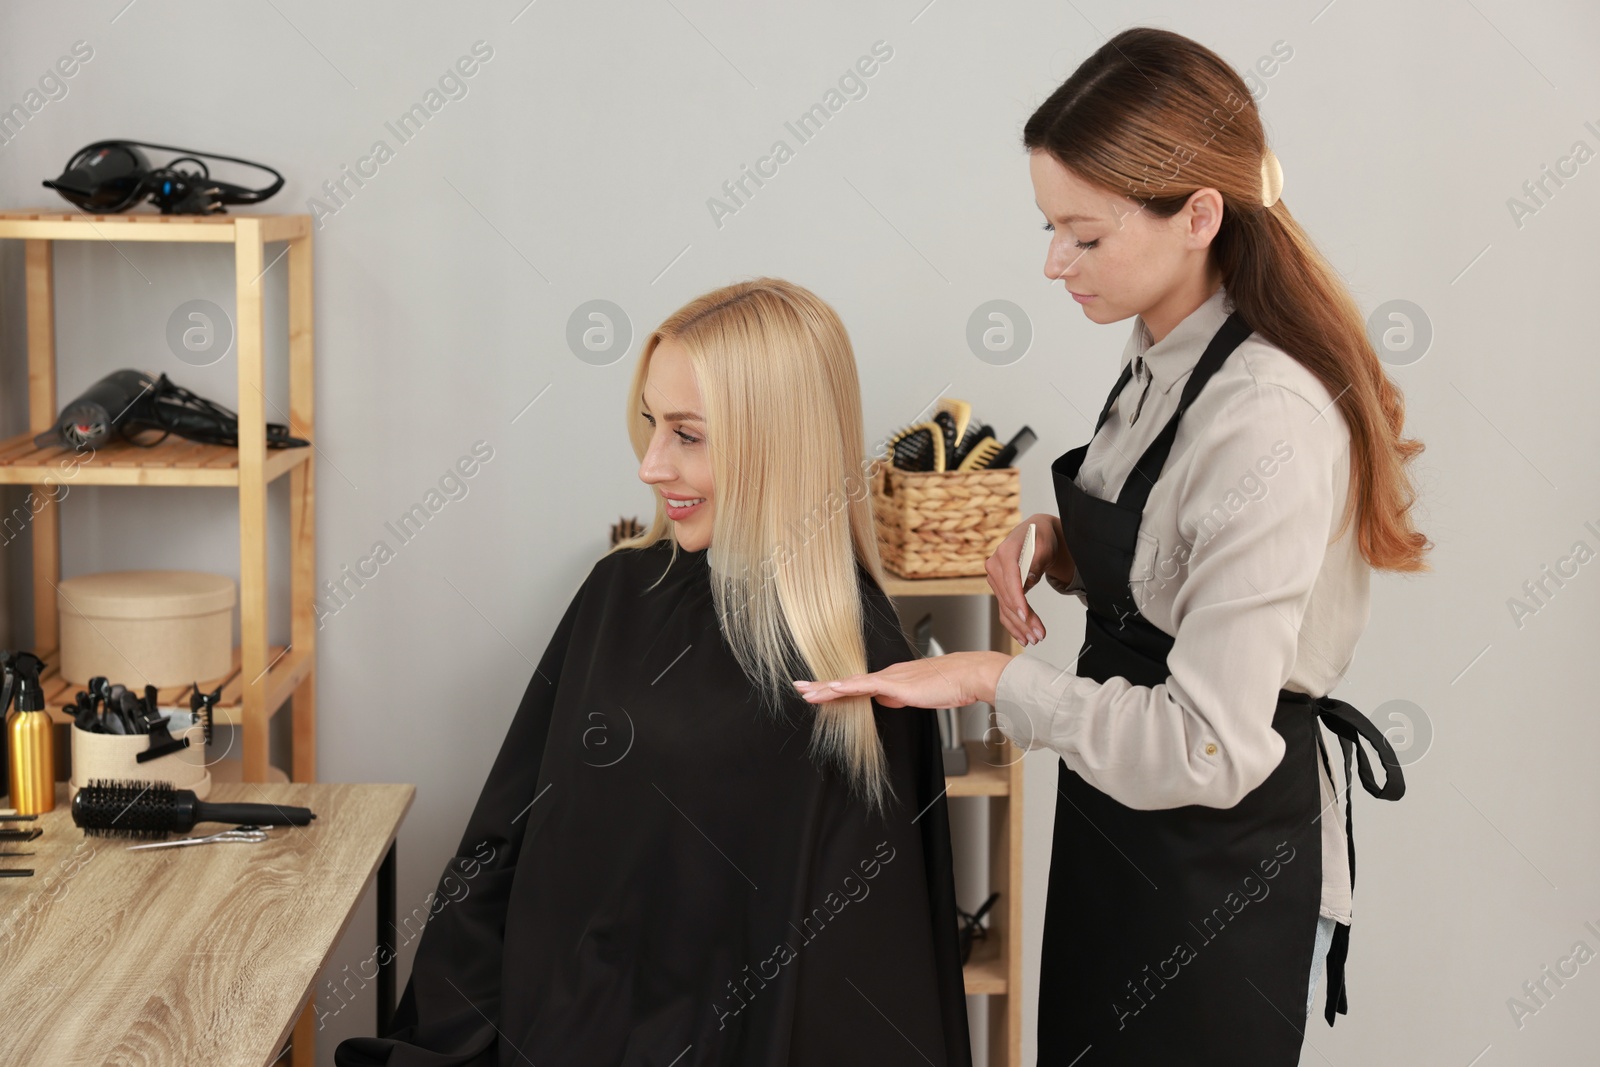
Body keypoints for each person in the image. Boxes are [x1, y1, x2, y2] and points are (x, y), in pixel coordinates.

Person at [796, 27, 1421, 1066]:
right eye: (1049, 227)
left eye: (1082, 236)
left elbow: (1208, 747)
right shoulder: (1157, 352)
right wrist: (1060, 542)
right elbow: (1175, 548)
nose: (1052, 263)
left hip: (1211, 858)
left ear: (1199, 218)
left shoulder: (1266, 415)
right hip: (1121, 826)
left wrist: (999, 679)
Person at [335, 278, 972, 1067]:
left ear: (778, 440)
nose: (649, 464)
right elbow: (498, 849)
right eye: (650, 424)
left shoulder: (863, 671)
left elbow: (870, 986)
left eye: (688, 434)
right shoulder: (618, 595)